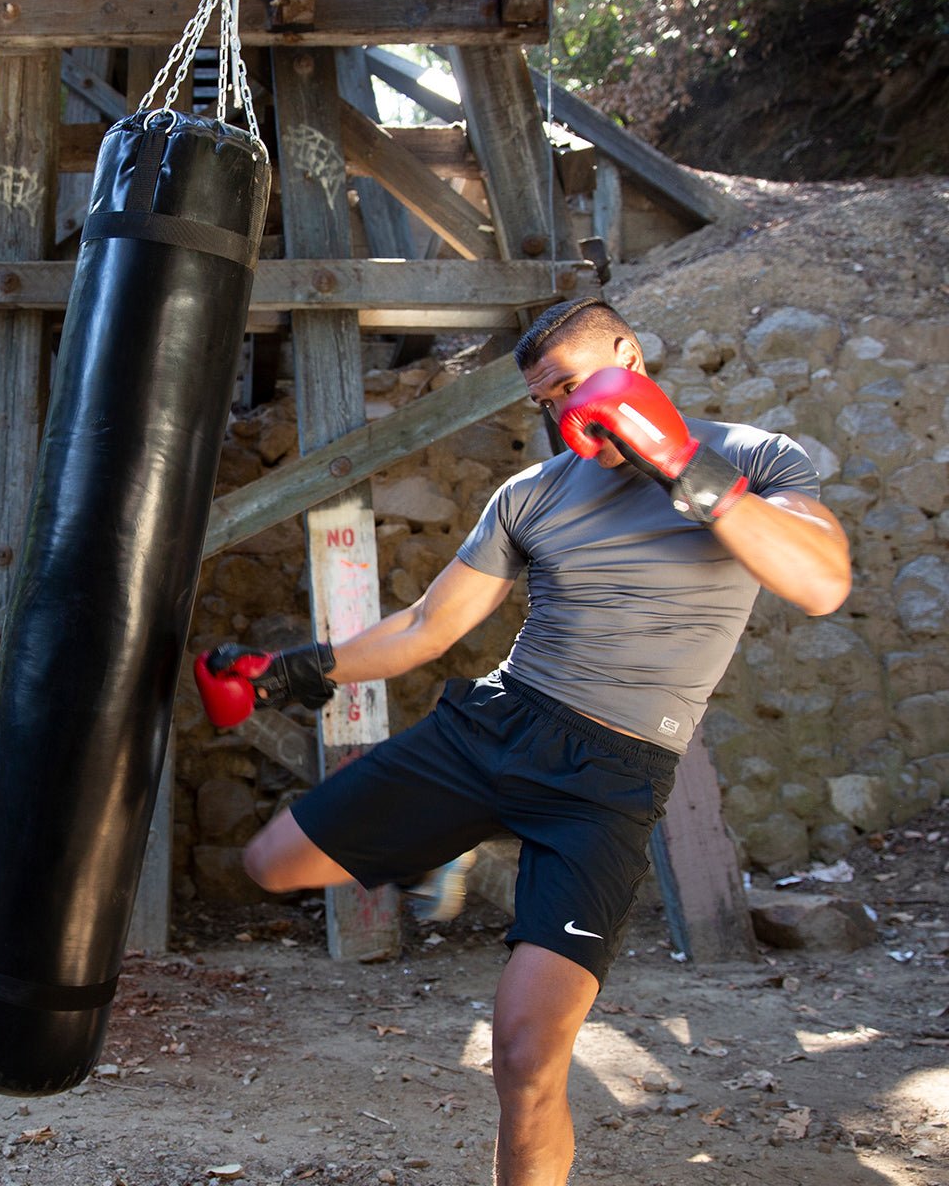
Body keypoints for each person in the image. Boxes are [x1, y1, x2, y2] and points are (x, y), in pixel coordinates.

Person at [193, 297, 852, 1186]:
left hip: (611, 780)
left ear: (628, 353)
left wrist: (682, 464)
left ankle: (480, 854)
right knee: (273, 865)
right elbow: (428, 625)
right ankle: (461, 842)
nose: (563, 415)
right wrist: (289, 673)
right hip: (496, 727)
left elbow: (819, 583)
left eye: (573, 386)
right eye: (545, 401)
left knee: (526, 1060)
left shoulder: (755, 456)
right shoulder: (532, 495)